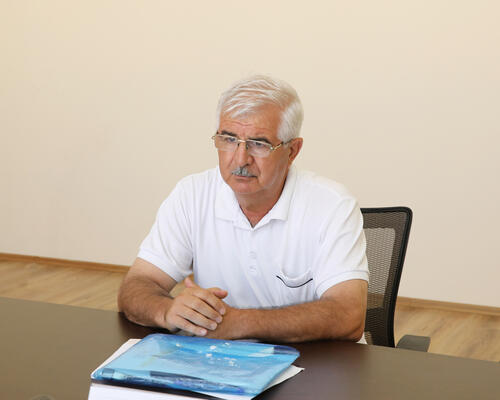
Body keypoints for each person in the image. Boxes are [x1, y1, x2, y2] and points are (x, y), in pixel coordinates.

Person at [118, 75, 369, 343]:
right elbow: (136, 286)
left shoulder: (332, 205)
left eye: (259, 144)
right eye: (228, 139)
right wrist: (167, 311)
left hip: (314, 362)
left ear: (292, 151)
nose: (240, 159)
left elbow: (349, 315)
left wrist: (240, 323)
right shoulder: (191, 194)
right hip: (219, 360)